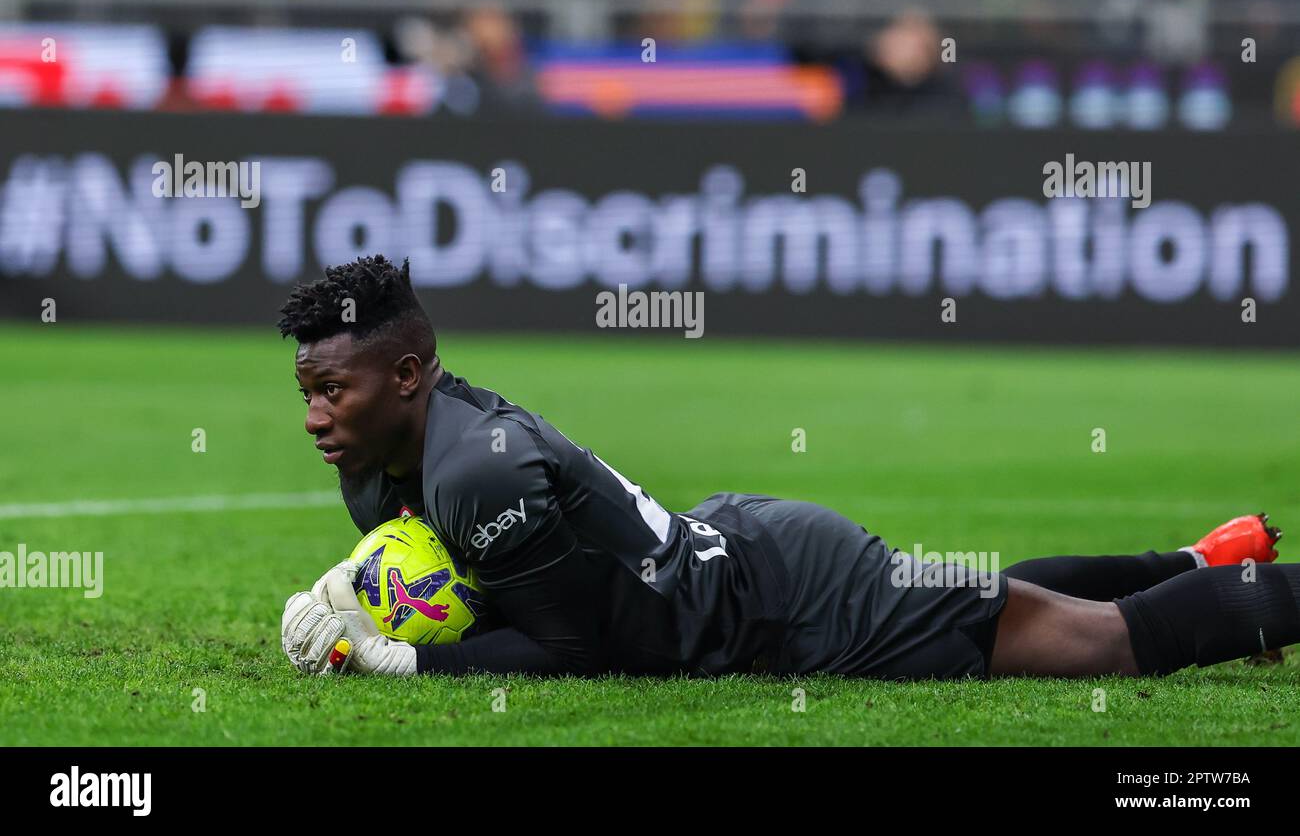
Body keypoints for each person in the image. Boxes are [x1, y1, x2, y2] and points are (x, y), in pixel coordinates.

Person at [280, 255, 1296, 681]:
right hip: (741, 555)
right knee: (974, 596)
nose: (318, 414)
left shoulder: (474, 472)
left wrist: (402, 656)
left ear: (409, 373)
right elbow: (476, 592)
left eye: (336, 388)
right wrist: (362, 601)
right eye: (307, 392)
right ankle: (1193, 556)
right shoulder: (376, 460)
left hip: (786, 599)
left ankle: (1256, 589)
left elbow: (576, 648)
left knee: (1094, 647)